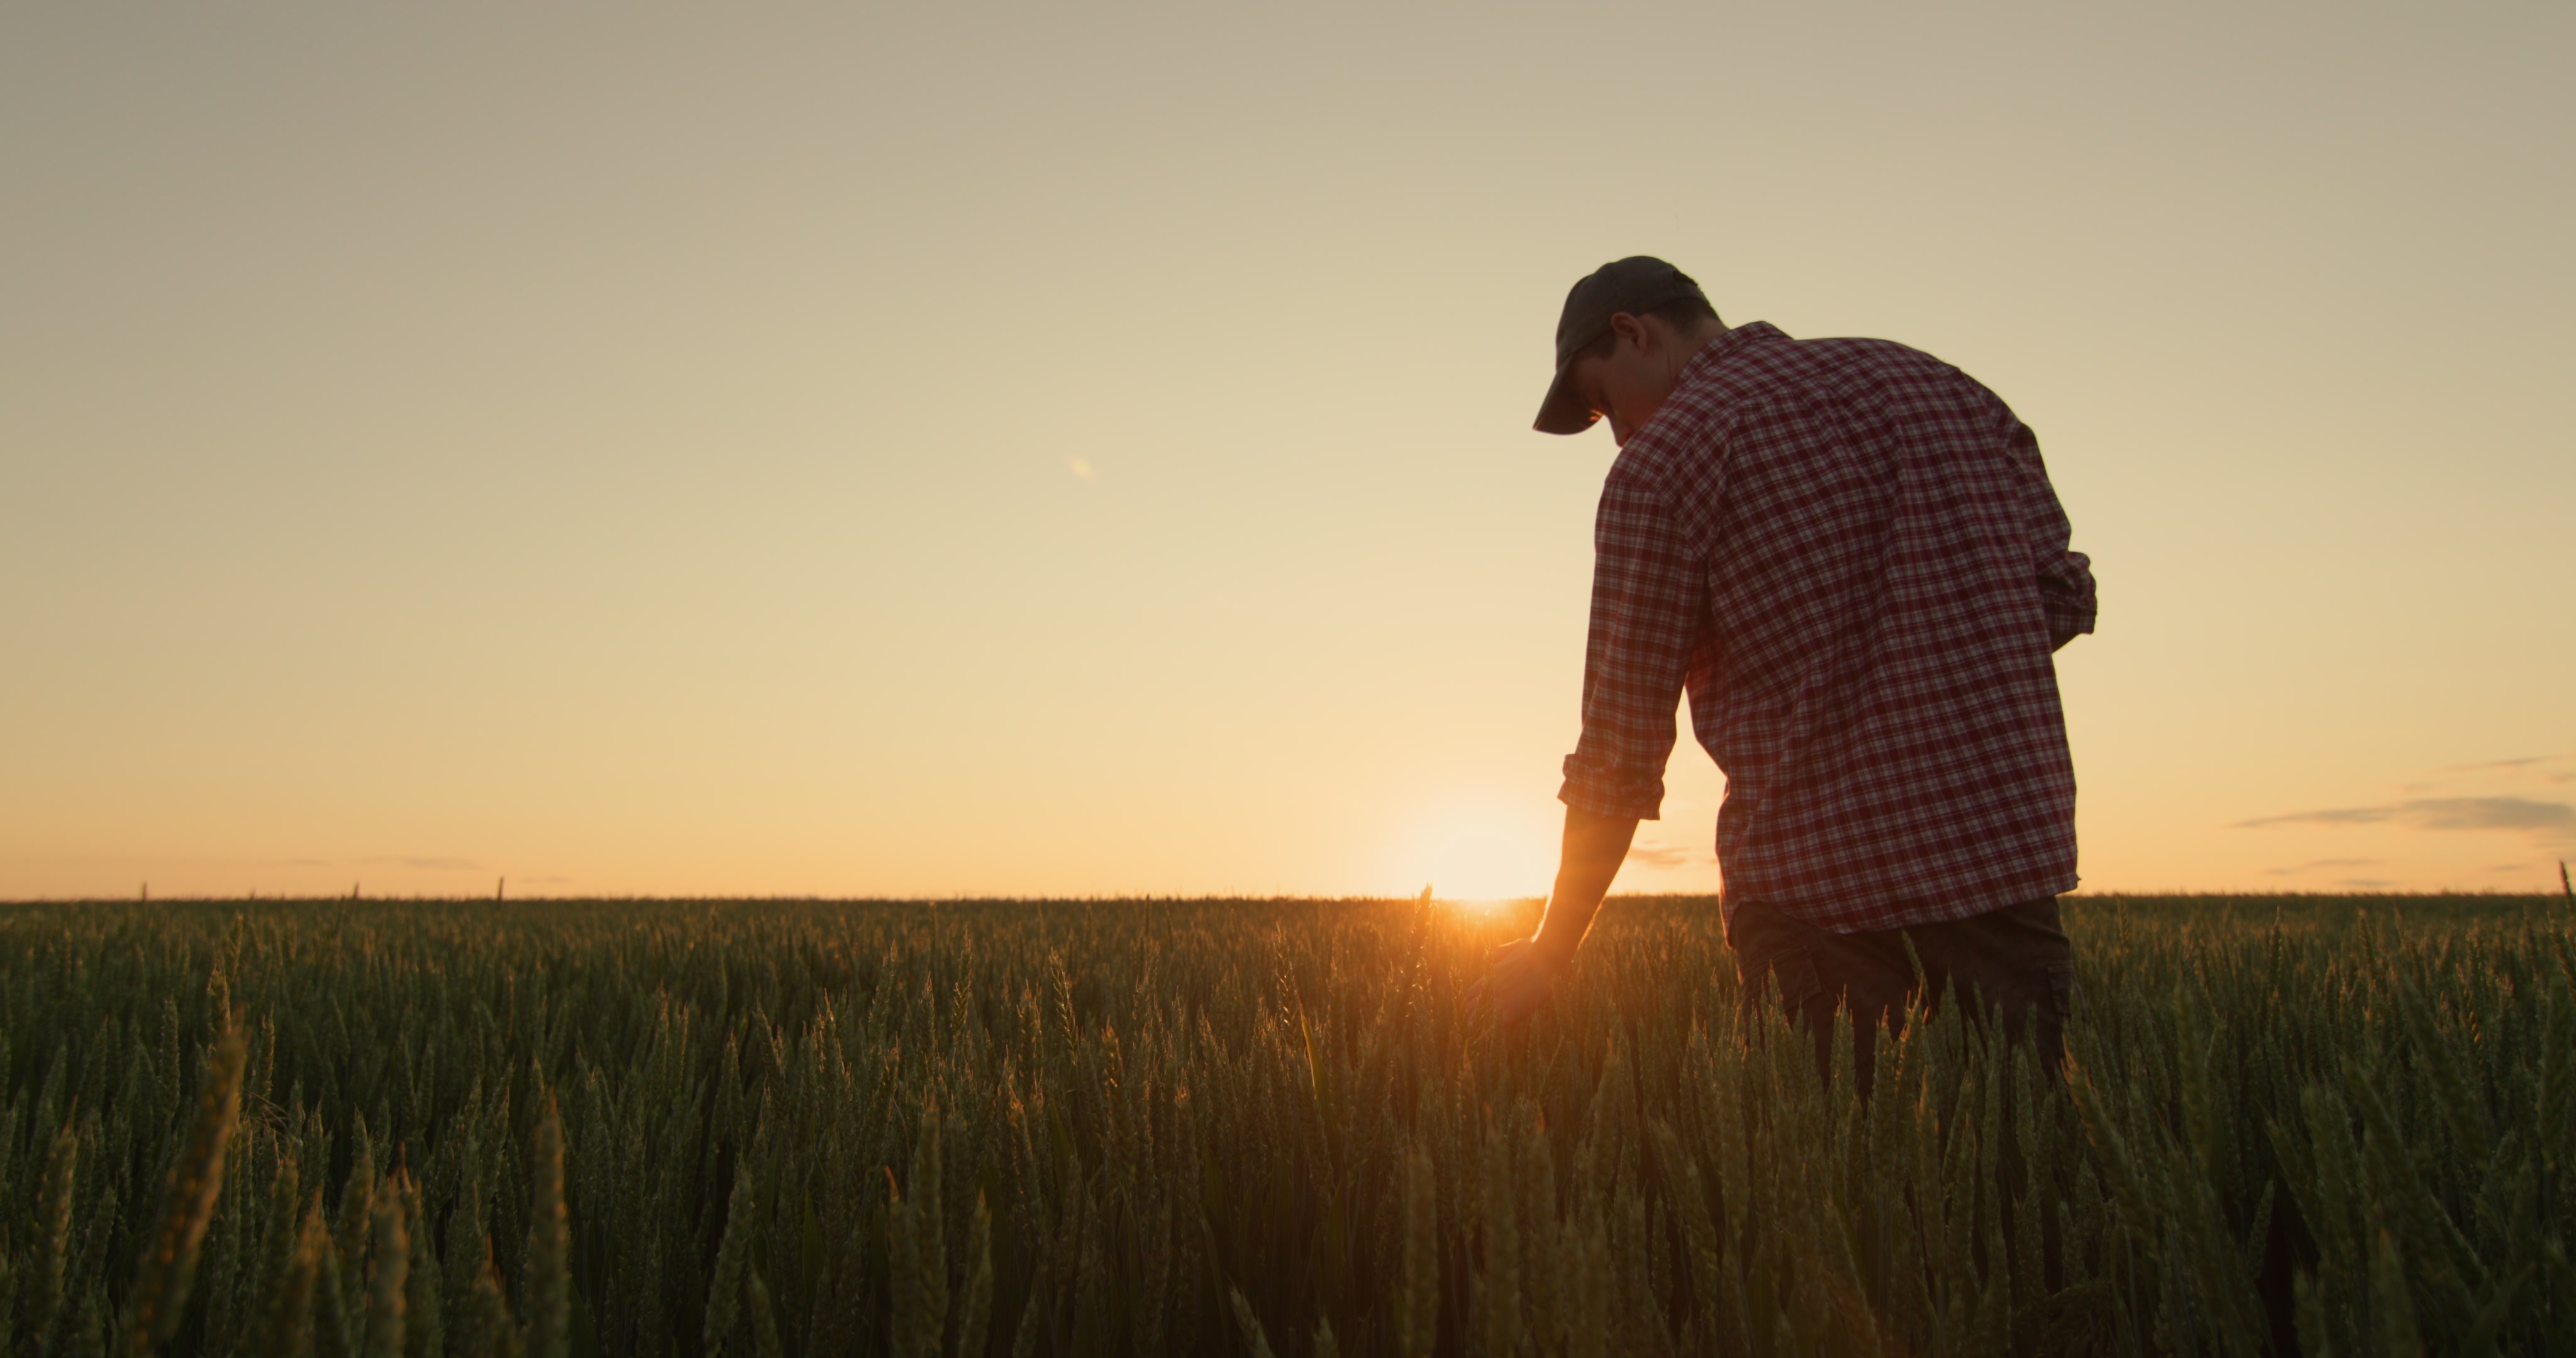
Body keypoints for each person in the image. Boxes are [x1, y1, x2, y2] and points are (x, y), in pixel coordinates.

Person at [1479, 257, 2096, 1094]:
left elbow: (1621, 744)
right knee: (2018, 1194)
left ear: (1635, 333)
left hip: (1820, 904)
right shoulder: (1944, 389)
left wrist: (1553, 949)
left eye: (1602, 402)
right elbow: (2059, 595)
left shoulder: (1666, 465)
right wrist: (1926, 655)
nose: (1617, 434)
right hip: (2002, 876)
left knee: (1845, 1200)